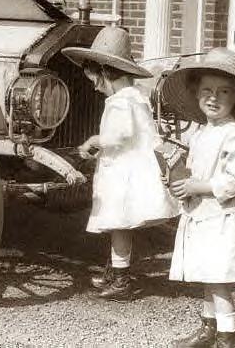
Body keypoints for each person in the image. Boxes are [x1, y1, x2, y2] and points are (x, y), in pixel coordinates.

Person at [62, 26, 178, 300]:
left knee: (119, 225)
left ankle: (121, 279)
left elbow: (120, 135)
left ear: (105, 73)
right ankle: (115, 271)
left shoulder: (120, 102)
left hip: (124, 175)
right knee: (119, 226)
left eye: (95, 80)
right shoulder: (136, 96)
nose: (94, 86)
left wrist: (94, 140)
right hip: (131, 169)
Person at [161, 48, 235, 348]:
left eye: (223, 92)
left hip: (225, 218)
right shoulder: (203, 132)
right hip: (204, 216)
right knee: (209, 273)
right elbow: (196, 170)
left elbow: (232, 182)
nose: (213, 98)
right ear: (196, 94)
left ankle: (227, 338)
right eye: (206, 90)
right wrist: (177, 177)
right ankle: (208, 328)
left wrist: (197, 187)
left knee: (218, 280)